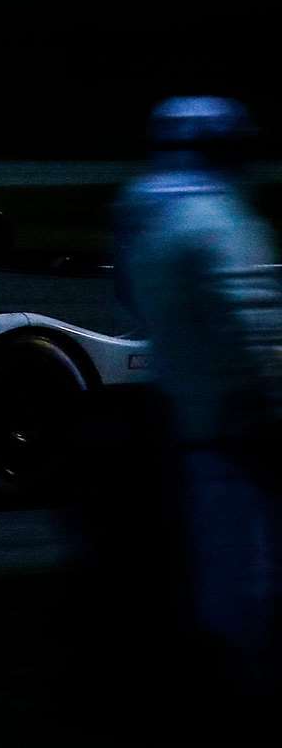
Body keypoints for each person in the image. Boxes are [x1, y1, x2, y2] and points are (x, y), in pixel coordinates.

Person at [114, 96, 282, 682]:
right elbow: (255, 328)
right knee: (250, 583)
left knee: (218, 576)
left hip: (189, 424)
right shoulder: (221, 222)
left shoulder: (145, 214)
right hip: (242, 432)